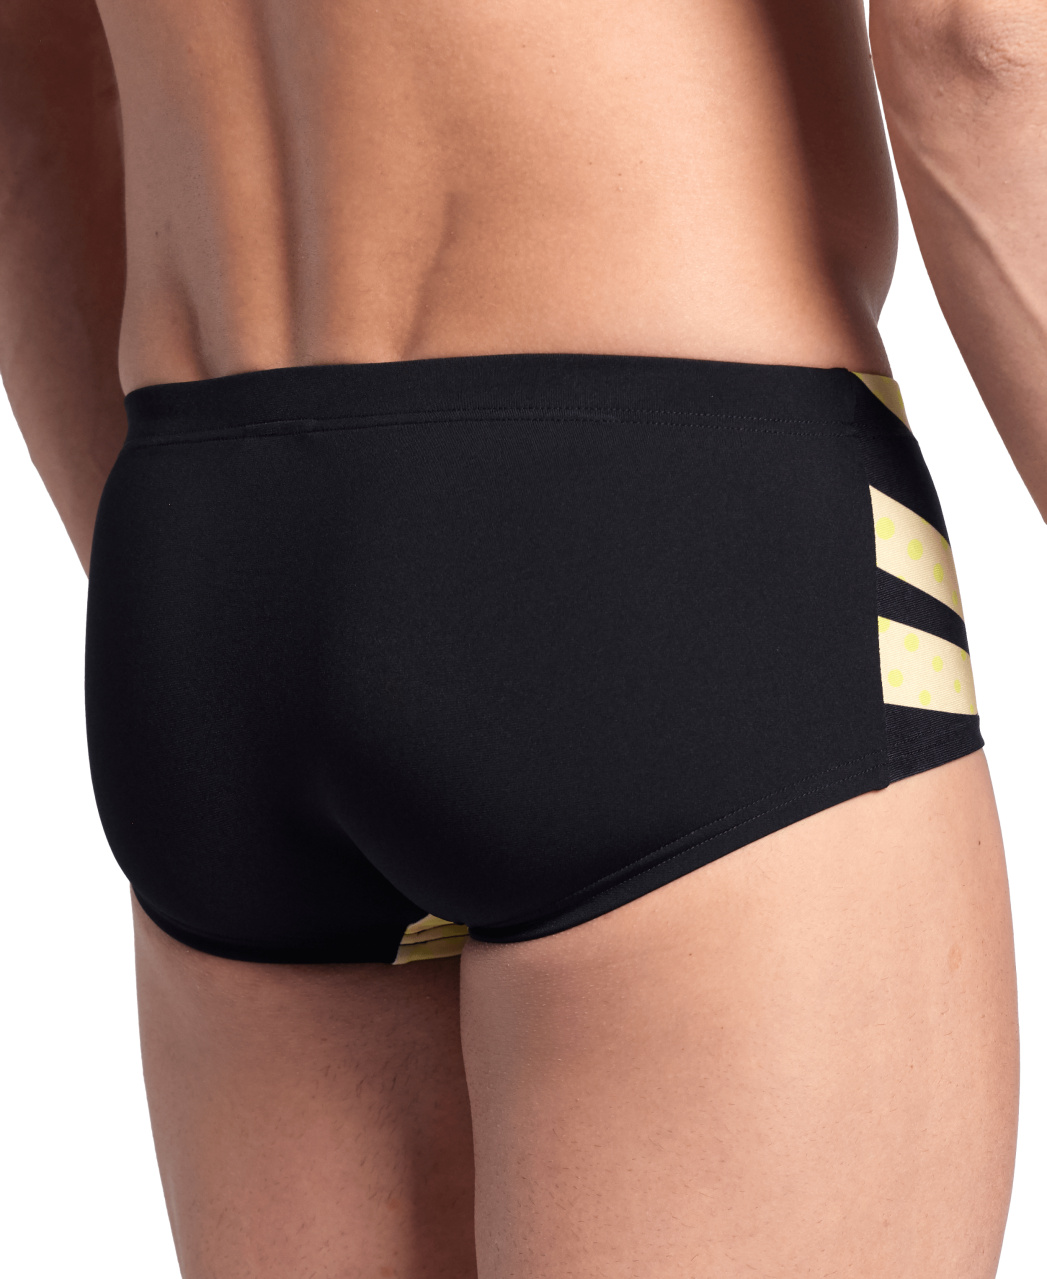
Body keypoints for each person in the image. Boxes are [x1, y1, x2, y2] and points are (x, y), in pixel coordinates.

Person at [0, 0, 1034, 1274]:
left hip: (208, 562)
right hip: (672, 541)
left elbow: (25, 79)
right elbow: (976, 46)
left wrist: (230, 594)